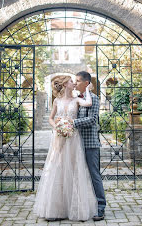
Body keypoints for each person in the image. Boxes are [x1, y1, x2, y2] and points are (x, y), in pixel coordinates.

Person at [33, 75, 97, 221]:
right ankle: (56, 209)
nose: (73, 83)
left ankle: (76, 208)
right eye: (70, 81)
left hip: (73, 139)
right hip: (59, 138)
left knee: (74, 168)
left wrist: (87, 89)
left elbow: (88, 103)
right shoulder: (56, 101)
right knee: (58, 168)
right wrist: (57, 126)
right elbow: (51, 118)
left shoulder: (77, 100)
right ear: (64, 84)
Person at [72, 71, 106, 221]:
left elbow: (92, 120)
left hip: (90, 144)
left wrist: (72, 123)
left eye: (78, 81)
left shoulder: (94, 98)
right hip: (74, 144)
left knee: (94, 175)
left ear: (86, 83)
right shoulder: (75, 99)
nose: (76, 83)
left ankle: (100, 207)